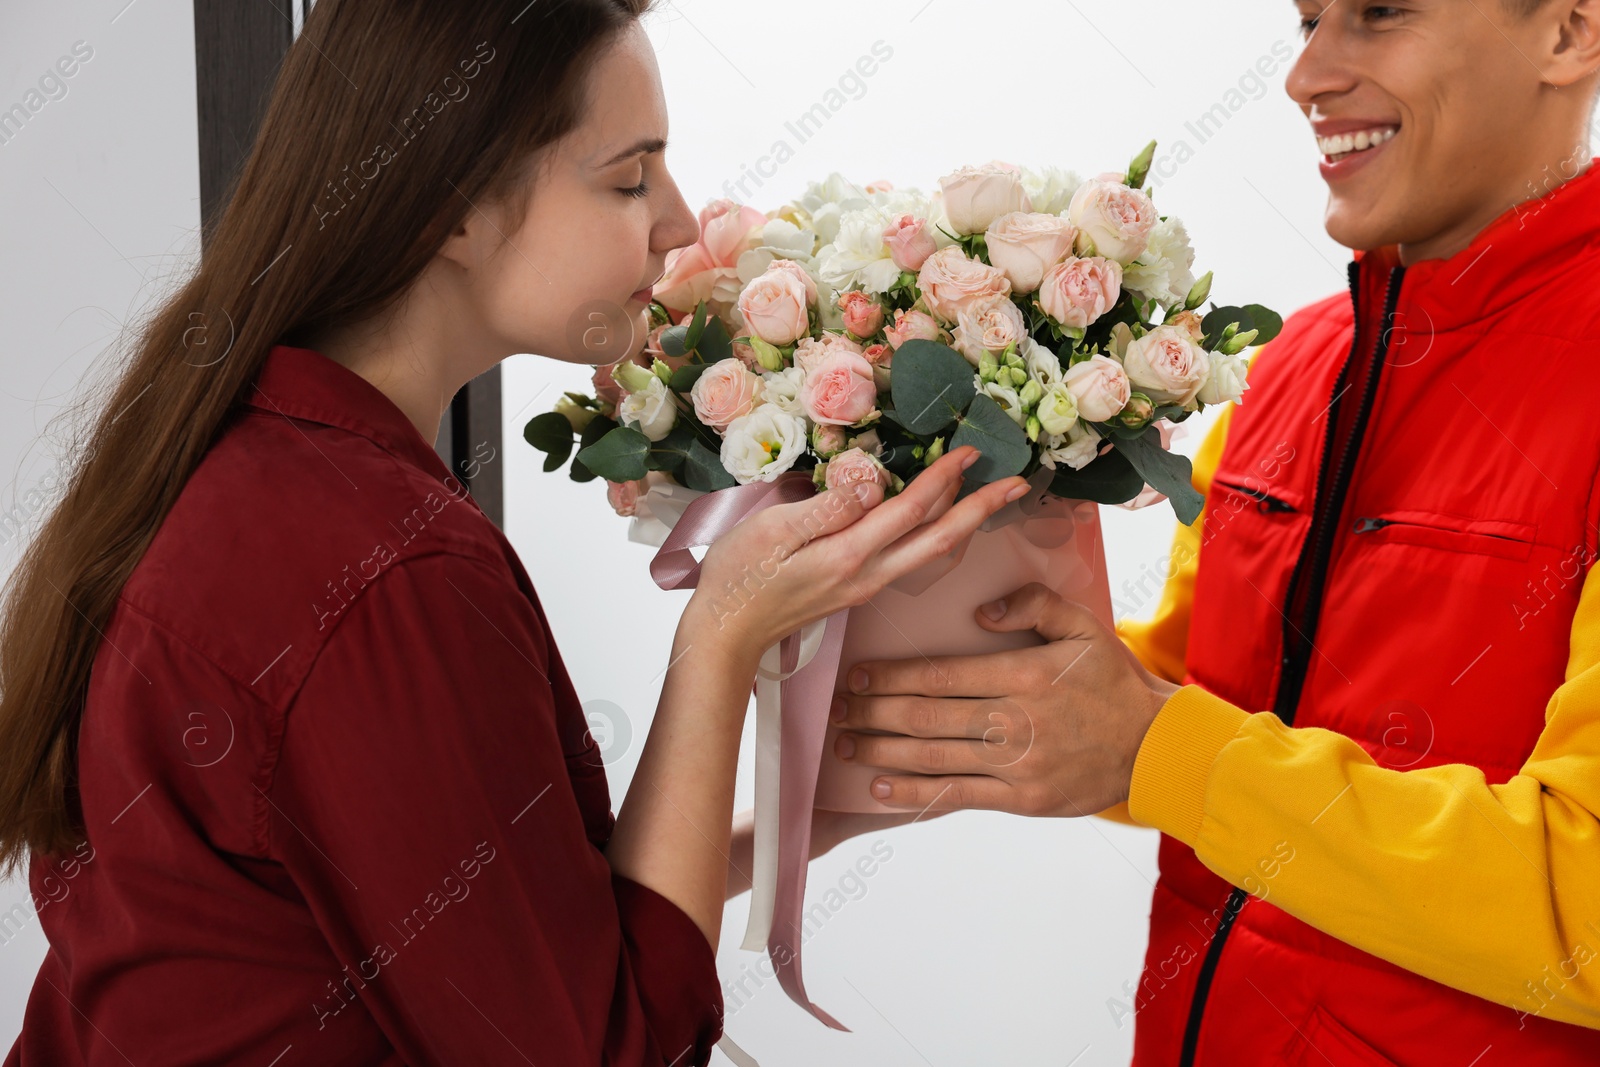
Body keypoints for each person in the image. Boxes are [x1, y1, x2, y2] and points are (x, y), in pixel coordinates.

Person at [0, 2, 1031, 1064]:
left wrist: (819, 822)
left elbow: (507, 913)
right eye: (630, 178)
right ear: (450, 208)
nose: (677, 222)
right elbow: (599, 1043)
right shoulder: (382, 570)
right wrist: (719, 639)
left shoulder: (261, 461)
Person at [832, 0, 1600, 1063]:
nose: (1307, 77)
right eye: (1307, 22)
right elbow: (1188, 697)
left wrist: (1155, 742)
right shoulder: (1291, 368)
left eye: (1377, 15)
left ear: (1568, 31)